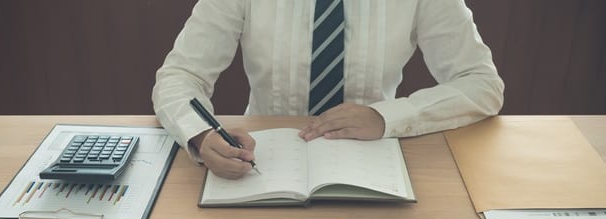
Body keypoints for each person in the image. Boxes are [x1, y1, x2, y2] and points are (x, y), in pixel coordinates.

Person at [153, 0, 504, 179]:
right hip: (260, 164)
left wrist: (385, 117)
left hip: (374, 163)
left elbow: (482, 84)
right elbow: (180, 75)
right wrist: (201, 134)